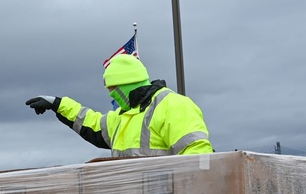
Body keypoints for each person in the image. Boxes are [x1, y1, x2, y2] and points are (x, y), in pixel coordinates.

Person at [25, 53, 212, 157]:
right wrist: (57, 104)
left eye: (112, 88)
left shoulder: (173, 105)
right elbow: (92, 124)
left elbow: (198, 156)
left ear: (126, 84)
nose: (110, 94)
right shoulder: (123, 117)